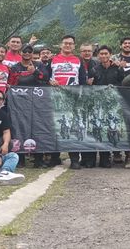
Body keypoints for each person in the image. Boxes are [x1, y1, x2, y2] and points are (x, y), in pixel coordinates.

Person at [49, 35, 87, 169]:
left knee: (73, 127)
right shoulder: (52, 60)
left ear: (74, 46)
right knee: (56, 127)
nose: (68, 45)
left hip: (73, 99)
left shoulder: (78, 60)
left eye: (70, 44)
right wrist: (49, 81)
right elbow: (45, 77)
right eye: (65, 43)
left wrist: (81, 98)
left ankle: (74, 159)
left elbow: (82, 81)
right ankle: (54, 157)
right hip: (56, 98)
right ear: (61, 45)